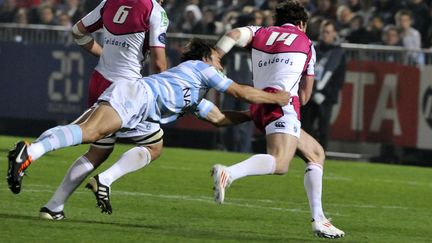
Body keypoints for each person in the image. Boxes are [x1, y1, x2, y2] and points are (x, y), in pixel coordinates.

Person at [6, 38, 290, 214]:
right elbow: (239, 91)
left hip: (141, 116)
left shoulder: (191, 93)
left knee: (154, 145)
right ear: (206, 59)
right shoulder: (200, 69)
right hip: (135, 96)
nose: (221, 65)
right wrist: (274, 98)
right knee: (90, 133)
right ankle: (32, 151)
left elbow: (219, 118)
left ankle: (70, 198)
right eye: (219, 60)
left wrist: (250, 114)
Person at [210, 1, 344, 239]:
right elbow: (304, 95)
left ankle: (319, 219)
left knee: (316, 153)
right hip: (282, 103)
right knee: (280, 163)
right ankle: (229, 173)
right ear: (302, 23)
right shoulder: (306, 44)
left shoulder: (260, 32)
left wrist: (216, 57)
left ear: (277, 21)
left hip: (260, 101)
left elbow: (231, 35)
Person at [36, 0, 169, 220]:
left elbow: (78, 31)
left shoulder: (110, 1)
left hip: (100, 80)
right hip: (126, 88)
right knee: (154, 145)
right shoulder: (155, 10)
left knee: (98, 149)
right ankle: (101, 179)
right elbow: (159, 63)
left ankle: (53, 206)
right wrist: (158, 93)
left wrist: (103, 54)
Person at [301, 20, 346, 150]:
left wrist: (325, 94)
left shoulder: (338, 54)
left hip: (326, 98)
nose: (324, 35)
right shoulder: (313, 49)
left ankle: (321, 156)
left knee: (323, 129)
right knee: (306, 127)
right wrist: (313, 92)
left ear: (334, 34)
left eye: (328, 32)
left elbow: (339, 79)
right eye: (323, 32)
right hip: (310, 94)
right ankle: (306, 153)